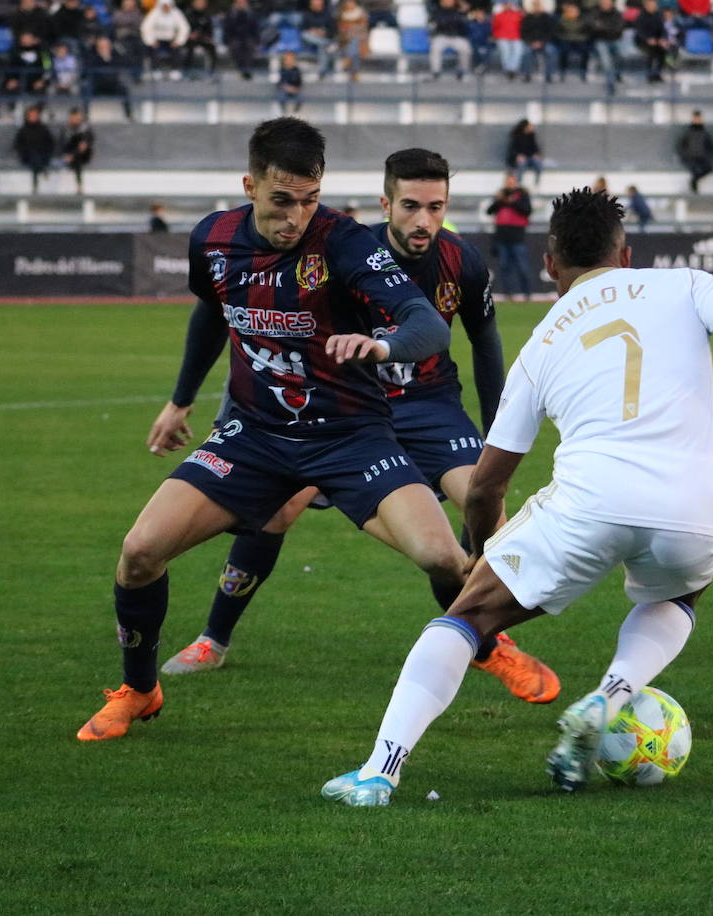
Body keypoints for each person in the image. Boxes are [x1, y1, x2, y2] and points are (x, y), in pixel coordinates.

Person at [319, 187, 713, 806]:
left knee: (466, 619)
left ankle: (380, 770)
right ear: (627, 253)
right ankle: (611, 696)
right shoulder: (684, 286)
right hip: (693, 509)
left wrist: (486, 557)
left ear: (549, 264)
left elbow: (485, 485)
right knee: (680, 592)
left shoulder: (541, 343)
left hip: (589, 503)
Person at [74, 119, 513, 742]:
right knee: (140, 553)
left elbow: (430, 326)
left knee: (445, 556)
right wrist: (179, 402)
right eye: (282, 201)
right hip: (255, 435)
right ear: (250, 186)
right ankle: (140, 690)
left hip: (350, 434)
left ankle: (487, 645)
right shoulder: (215, 239)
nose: (297, 217)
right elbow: (212, 314)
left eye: (310, 199)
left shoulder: (345, 242)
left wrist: (382, 343)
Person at [159, 148, 558, 706]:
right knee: (278, 511)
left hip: (429, 404)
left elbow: (485, 345)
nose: (424, 221)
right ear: (386, 203)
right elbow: (264, 333)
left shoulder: (462, 261)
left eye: (436, 207)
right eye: (411, 206)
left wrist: (494, 434)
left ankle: (484, 635)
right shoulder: (346, 247)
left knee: (485, 504)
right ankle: (213, 637)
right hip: (344, 406)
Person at [487, 172, 532, 301]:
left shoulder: (522, 195)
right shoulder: (500, 196)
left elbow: (527, 210)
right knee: (505, 268)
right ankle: (508, 294)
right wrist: (501, 201)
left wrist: (512, 202)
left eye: (512, 181)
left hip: (517, 236)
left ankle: (526, 294)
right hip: (502, 237)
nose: (510, 184)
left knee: (522, 267)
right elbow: (490, 211)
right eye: (508, 181)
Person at [84, 36, 134, 120]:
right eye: (101, 46)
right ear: (98, 47)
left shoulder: (115, 56)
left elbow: (127, 63)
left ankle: (129, 115)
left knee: (124, 89)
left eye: (106, 46)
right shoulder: (94, 58)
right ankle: (85, 115)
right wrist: (102, 58)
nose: (104, 48)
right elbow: (89, 69)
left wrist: (109, 58)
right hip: (98, 85)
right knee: (86, 89)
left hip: (113, 84)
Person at [142, 0, 190, 78]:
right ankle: (155, 69)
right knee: (151, 50)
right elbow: (146, 27)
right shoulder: (154, 13)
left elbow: (184, 28)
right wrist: (151, 41)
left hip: (171, 40)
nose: (166, 8)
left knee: (178, 49)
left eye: (168, 5)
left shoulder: (176, 13)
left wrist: (178, 41)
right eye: (164, 5)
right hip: (157, 40)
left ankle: (175, 70)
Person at [13, 105, 55, 193]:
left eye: (35, 115)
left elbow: (50, 143)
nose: (33, 117)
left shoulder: (43, 129)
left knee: (37, 156)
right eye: (31, 115)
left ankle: (35, 185)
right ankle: (42, 171)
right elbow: (17, 144)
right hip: (27, 156)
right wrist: (23, 150)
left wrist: (46, 150)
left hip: (42, 155)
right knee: (33, 155)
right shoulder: (23, 130)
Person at [590, 0, 626, 90]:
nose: (605, 4)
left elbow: (619, 28)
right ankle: (610, 83)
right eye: (603, 2)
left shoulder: (617, 14)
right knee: (606, 62)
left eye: (607, 2)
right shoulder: (595, 14)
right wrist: (609, 28)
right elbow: (594, 27)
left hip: (615, 40)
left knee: (621, 55)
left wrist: (604, 27)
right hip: (601, 41)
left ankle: (617, 75)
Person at [430, 0, 472, 79]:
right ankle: (436, 72)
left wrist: (459, 3)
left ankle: (463, 71)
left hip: (456, 36)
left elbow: (466, 8)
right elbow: (434, 24)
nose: (448, 2)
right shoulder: (437, 11)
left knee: (465, 49)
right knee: (435, 48)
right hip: (442, 36)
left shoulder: (458, 11)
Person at [678, 110, 713, 194]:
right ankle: (694, 187)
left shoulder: (704, 132)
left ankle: (694, 182)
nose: (697, 120)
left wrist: (707, 155)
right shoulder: (688, 132)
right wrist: (685, 155)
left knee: (708, 168)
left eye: (699, 118)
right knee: (695, 170)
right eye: (696, 118)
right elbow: (682, 145)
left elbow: (709, 145)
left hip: (702, 156)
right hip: (690, 157)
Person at [520, 0, 559, 83]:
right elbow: (523, 32)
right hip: (530, 42)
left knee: (551, 51)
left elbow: (551, 32)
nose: (537, 7)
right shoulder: (527, 18)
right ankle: (527, 75)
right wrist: (531, 42)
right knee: (526, 53)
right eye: (535, 6)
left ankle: (549, 75)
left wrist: (542, 42)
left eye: (538, 6)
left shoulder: (547, 18)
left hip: (544, 42)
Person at [633, 0, 669, 83]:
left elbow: (663, 29)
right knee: (651, 51)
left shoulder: (659, 15)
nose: (654, 6)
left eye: (655, 4)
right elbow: (639, 32)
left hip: (656, 40)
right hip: (643, 41)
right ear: (646, 5)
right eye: (651, 4)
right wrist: (647, 39)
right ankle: (649, 74)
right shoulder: (641, 16)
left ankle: (657, 73)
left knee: (663, 50)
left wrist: (663, 39)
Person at [59, 107, 94, 194]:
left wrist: (72, 154)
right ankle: (79, 186)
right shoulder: (66, 129)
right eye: (72, 118)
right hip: (70, 153)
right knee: (74, 156)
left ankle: (79, 186)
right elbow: (62, 143)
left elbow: (87, 142)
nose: (74, 120)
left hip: (83, 154)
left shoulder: (85, 129)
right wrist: (65, 154)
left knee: (78, 156)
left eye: (76, 118)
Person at [555, 2, 592, 81]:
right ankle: (562, 71)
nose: (573, 13)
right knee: (563, 51)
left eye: (575, 11)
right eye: (570, 11)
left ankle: (583, 72)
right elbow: (558, 33)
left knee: (585, 51)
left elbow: (587, 33)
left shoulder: (583, 21)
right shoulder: (561, 21)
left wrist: (581, 38)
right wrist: (565, 37)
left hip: (579, 41)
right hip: (566, 40)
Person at [224, 0, 260, 80]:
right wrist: (226, 41)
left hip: (248, 38)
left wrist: (257, 42)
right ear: (235, 4)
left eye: (243, 3)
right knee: (235, 46)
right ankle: (242, 69)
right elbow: (227, 29)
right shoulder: (230, 14)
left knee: (250, 45)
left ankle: (246, 70)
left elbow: (255, 29)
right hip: (234, 38)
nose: (241, 5)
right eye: (239, 3)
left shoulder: (251, 14)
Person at [493, 1, 525, 80]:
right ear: (503, 6)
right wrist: (497, 36)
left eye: (510, 4)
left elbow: (522, 26)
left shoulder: (518, 14)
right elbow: (495, 28)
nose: (508, 6)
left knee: (518, 51)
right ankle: (508, 70)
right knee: (506, 52)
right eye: (506, 4)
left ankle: (513, 70)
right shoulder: (499, 15)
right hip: (503, 37)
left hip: (516, 36)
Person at [506, 118, 543, 186]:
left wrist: (536, 154)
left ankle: (537, 182)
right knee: (521, 164)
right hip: (520, 158)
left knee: (538, 164)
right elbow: (512, 149)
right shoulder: (516, 136)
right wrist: (518, 156)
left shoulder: (531, 136)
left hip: (529, 157)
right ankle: (519, 182)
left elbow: (535, 147)